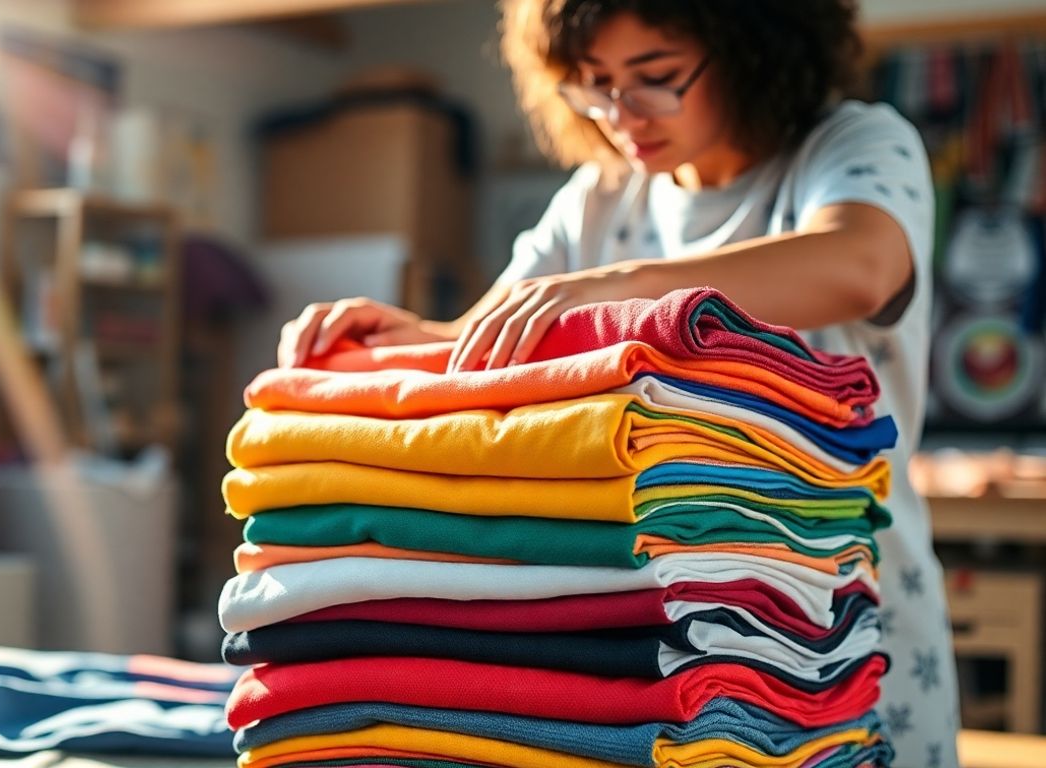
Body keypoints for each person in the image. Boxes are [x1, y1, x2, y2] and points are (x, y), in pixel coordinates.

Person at [276, 0, 960, 765]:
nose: (620, 114)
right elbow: (487, 343)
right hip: (670, 628)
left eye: (656, 78)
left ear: (753, 51)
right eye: (593, 85)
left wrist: (620, 287)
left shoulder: (851, 146)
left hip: (843, 614)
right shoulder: (602, 196)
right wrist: (395, 335)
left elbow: (859, 265)